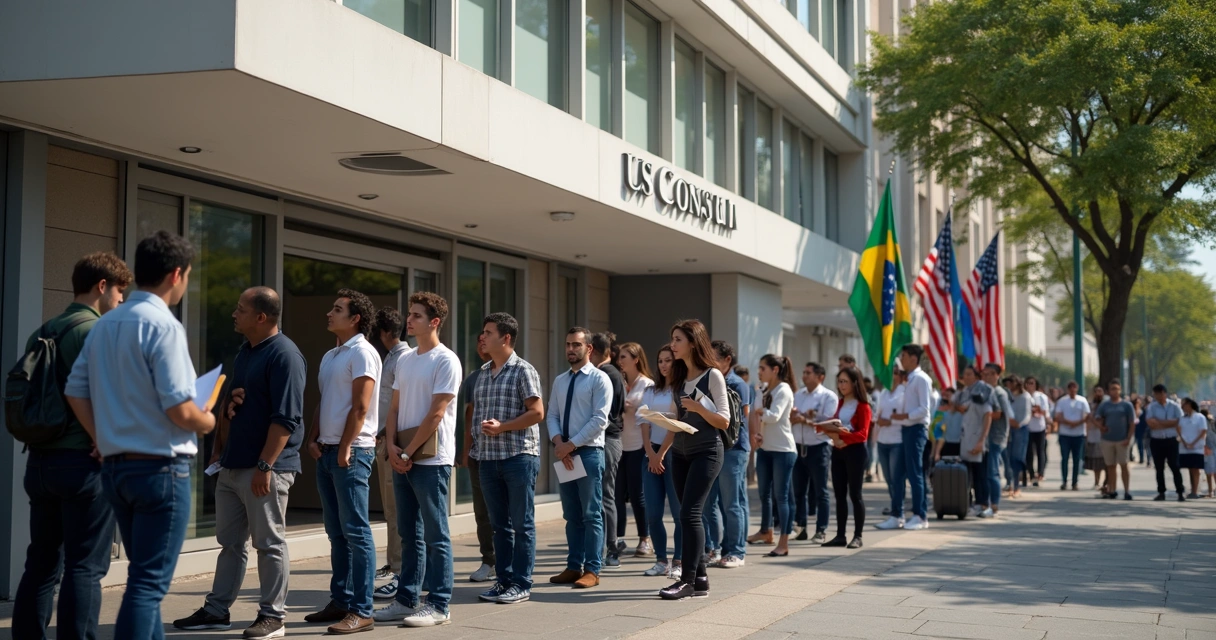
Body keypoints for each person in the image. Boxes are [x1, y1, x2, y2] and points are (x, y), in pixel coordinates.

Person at [65, 232, 217, 640]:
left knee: (142, 579)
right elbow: (179, 409)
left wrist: (101, 437)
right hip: (161, 469)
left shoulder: (105, 323)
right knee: (147, 586)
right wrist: (208, 421)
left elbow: (75, 391)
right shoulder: (163, 325)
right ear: (176, 274)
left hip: (116, 469)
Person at [172, 287, 307, 639]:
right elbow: (233, 404)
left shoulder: (285, 355)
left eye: (240, 309)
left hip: (265, 469)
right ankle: (217, 611)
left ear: (261, 317)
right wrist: (220, 449)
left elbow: (286, 419)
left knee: (269, 543)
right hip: (233, 465)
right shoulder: (246, 351)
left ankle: (273, 616)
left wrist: (265, 466)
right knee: (230, 543)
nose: (234, 314)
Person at [13, 252, 130, 640]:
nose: (120, 303)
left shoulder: (44, 330)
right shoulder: (97, 332)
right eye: (119, 294)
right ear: (102, 286)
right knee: (85, 567)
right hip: (84, 464)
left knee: (41, 564)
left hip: (40, 463)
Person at [373, 292, 461, 628]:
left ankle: (439, 605)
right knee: (408, 533)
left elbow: (436, 413)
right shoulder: (406, 359)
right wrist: (393, 447)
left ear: (434, 322)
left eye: (417, 316)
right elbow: (394, 407)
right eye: (409, 314)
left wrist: (408, 451)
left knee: (436, 535)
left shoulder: (446, 360)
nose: (408, 320)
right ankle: (406, 599)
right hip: (403, 456)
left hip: (431, 460)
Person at [303, 288, 381, 634]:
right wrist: (313, 437)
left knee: (357, 532)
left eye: (337, 309)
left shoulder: (363, 353)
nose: (329, 313)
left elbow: (361, 407)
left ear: (355, 319)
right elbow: (325, 401)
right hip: (327, 450)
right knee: (336, 533)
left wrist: (346, 447)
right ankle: (341, 601)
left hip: (352, 452)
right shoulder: (331, 355)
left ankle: (362, 610)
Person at [470, 313, 544, 605]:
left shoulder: (523, 370)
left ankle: (522, 584)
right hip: (488, 459)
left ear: (506, 338)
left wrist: (502, 427)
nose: (483, 337)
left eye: (488, 332)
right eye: (483, 331)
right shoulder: (483, 372)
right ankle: (503, 581)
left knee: (522, 524)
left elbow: (537, 412)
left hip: (518, 458)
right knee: (498, 525)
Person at [658, 320, 731, 600]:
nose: (672, 345)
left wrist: (699, 408)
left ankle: (686, 580)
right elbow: (679, 417)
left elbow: (723, 421)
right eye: (672, 339)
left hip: (707, 452)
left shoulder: (713, 375)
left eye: (678, 339)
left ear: (692, 342)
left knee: (689, 514)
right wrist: (661, 420)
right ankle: (700, 580)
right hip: (680, 453)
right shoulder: (679, 377)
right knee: (687, 515)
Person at [547, 327, 612, 589]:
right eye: (568, 344)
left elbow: (600, 420)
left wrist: (570, 445)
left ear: (589, 349)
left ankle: (593, 570)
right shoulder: (560, 381)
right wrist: (559, 444)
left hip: (588, 453)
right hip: (565, 454)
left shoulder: (599, 379)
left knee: (591, 514)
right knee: (571, 515)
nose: (571, 349)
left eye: (576, 344)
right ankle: (574, 566)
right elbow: (552, 415)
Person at [371, 308, 412, 600]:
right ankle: (395, 564)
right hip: (386, 439)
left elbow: (401, 404)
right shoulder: (392, 357)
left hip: (393, 441)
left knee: (396, 509)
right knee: (391, 508)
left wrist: (389, 437)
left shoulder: (403, 358)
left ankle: (400, 570)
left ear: (385, 332)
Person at [815, 366, 872, 549]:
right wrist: (831, 432)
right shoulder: (840, 403)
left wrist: (844, 439)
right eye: (839, 381)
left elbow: (863, 434)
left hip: (855, 452)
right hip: (838, 451)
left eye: (845, 381)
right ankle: (840, 535)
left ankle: (858, 536)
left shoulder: (863, 406)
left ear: (855, 383)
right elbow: (832, 424)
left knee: (855, 494)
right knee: (839, 494)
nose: (841, 385)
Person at [706, 340, 751, 568]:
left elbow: (740, 419)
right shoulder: (710, 380)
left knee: (732, 503)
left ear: (727, 360)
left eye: (714, 358)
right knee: (710, 503)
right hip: (713, 448)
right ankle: (716, 548)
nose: (710, 362)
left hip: (733, 449)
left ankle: (736, 551)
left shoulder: (737, 384)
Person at [639, 344, 682, 580]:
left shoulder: (681, 389)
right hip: (651, 452)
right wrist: (650, 452)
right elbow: (644, 421)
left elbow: (674, 424)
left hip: (674, 453)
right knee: (653, 513)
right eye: (660, 361)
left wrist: (662, 453)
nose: (664, 365)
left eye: (668, 360)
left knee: (678, 513)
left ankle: (679, 561)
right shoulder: (650, 390)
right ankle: (661, 561)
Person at [455, 336, 495, 585]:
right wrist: (465, 451)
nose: (481, 344)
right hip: (478, 454)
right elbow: (468, 417)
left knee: (507, 513)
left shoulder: (518, 372)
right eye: (478, 340)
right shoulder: (473, 378)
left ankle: (512, 564)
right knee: (482, 512)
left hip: (508, 454)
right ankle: (489, 560)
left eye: (486, 338)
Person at [753, 354, 797, 558]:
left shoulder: (784, 389)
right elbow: (758, 414)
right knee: (764, 493)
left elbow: (774, 416)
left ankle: (783, 543)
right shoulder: (764, 390)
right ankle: (766, 532)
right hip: (765, 449)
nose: (759, 372)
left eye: (763, 368)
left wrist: (760, 411)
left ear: (775, 370)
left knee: (782, 497)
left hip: (783, 451)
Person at [590, 331, 627, 568]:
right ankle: (607, 547)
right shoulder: (611, 372)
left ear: (592, 350)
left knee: (604, 496)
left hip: (607, 439)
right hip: (609, 439)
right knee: (604, 495)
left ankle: (611, 548)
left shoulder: (605, 374)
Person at [790, 362, 837, 544]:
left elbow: (829, 423)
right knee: (799, 491)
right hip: (799, 445)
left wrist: (806, 419)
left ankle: (821, 529)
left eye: (808, 373)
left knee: (820, 491)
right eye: (804, 372)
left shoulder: (828, 396)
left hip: (819, 447)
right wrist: (796, 417)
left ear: (820, 377)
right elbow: (791, 416)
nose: (804, 376)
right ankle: (801, 527)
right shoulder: (799, 395)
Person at [616, 342, 653, 558]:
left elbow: (652, 413)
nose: (619, 361)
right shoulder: (619, 382)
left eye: (624, 357)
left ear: (636, 359)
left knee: (638, 495)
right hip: (619, 445)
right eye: (619, 357)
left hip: (639, 445)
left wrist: (634, 408)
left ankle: (645, 538)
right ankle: (619, 539)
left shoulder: (647, 384)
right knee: (617, 494)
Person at [892, 345, 933, 529]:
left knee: (915, 473)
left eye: (904, 356)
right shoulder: (909, 379)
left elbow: (924, 409)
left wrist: (905, 416)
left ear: (914, 358)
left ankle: (920, 515)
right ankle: (896, 515)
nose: (902, 359)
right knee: (898, 473)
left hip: (916, 430)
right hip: (906, 429)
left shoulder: (921, 379)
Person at [955, 366, 996, 517]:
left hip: (978, 439)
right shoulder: (965, 392)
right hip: (967, 438)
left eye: (969, 374)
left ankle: (984, 505)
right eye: (964, 374)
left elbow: (988, 415)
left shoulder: (982, 390)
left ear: (976, 376)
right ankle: (972, 503)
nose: (965, 377)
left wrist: (981, 441)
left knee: (981, 475)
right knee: (968, 475)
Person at [874, 369, 906, 529]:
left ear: (899, 377)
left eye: (893, 374)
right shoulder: (884, 393)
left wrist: (890, 422)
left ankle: (898, 514)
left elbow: (907, 416)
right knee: (888, 479)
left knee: (897, 479)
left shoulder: (904, 393)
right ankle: (896, 509)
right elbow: (877, 415)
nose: (890, 377)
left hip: (897, 441)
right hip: (883, 440)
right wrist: (879, 420)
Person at [1093, 379, 1135, 500]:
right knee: (1111, 466)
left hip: (1122, 440)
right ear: (1108, 391)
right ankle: (1112, 489)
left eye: (1116, 389)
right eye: (1112, 389)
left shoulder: (1127, 405)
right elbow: (1096, 418)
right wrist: (1101, 427)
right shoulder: (1104, 405)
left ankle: (1126, 491)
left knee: (1124, 465)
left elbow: (1132, 423)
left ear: (1120, 390)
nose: (1114, 391)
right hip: (1107, 440)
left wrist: (1129, 438)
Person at [980, 364, 1011, 516]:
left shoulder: (1000, 393)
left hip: (996, 437)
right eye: (986, 374)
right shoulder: (985, 390)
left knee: (992, 472)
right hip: (985, 437)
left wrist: (982, 414)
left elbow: (1001, 414)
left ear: (998, 375)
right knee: (985, 473)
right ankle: (984, 504)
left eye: (992, 374)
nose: (988, 377)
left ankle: (994, 505)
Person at [1146, 384, 1187, 502]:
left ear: (1163, 393)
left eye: (1157, 394)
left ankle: (1180, 492)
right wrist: (1169, 423)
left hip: (1171, 440)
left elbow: (1179, 421)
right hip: (1156, 440)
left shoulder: (1174, 406)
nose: (1156, 396)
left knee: (1175, 466)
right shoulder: (1152, 407)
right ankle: (1161, 492)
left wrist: (1160, 422)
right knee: (1159, 468)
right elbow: (1151, 423)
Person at [1054, 381, 1090, 491]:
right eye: (1071, 388)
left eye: (1074, 388)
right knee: (1064, 458)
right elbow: (1057, 416)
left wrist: (1078, 423)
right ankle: (1064, 481)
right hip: (1065, 433)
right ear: (1068, 389)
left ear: (1077, 389)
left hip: (1078, 434)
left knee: (1076, 459)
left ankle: (1075, 482)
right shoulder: (1062, 401)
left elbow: (1087, 415)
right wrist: (1068, 422)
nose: (1072, 390)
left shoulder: (1082, 400)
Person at [1004, 375, 1032, 499]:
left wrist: (1018, 424)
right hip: (1008, 428)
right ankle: (1009, 483)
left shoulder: (1025, 396)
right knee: (1008, 458)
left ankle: (1017, 486)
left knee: (1017, 458)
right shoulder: (1007, 396)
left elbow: (1027, 415)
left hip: (1020, 429)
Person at [1024, 377, 1051, 486]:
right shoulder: (1024, 396)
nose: (1030, 385)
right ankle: (1031, 473)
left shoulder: (1041, 397)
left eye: (1032, 383)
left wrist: (1038, 410)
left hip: (1039, 427)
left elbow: (1045, 412)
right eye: (1028, 383)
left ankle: (1040, 473)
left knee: (1041, 451)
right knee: (1029, 452)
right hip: (1027, 427)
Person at [1178, 398, 1207, 500]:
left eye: (1184, 405)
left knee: (1195, 469)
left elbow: (1203, 431)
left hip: (1196, 448)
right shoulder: (1182, 418)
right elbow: (1179, 431)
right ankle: (1191, 489)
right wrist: (1185, 442)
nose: (1183, 407)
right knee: (1189, 468)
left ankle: (1194, 491)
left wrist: (1193, 443)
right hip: (1184, 447)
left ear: (1190, 405)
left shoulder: (1200, 417)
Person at [1085, 385, 1108, 490]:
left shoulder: (1106, 406)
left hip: (1104, 436)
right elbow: (1088, 419)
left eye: (1100, 391)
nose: (1098, 394)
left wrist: (1094, 421)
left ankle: (1106, 482)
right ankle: (1096, 482)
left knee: (1106, 461)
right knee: (1095, 461)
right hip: (1093, 436)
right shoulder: (1090, 406)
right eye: (1096, 391)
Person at [933, 387, 961, 460]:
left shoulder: (963, 416)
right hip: (947, 445)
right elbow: (942, 435)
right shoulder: (945, 415)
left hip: (960, 446)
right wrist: (937, 453)